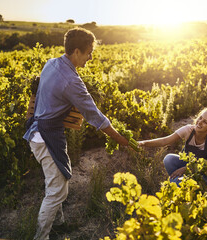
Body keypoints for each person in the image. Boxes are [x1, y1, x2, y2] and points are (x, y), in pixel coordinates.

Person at [23, 27, 129, 240]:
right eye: (89, 52)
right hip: (46, 138)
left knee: (57, 179)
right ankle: (40, 236)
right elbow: (94, 115)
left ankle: (59, 225)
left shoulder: (51, 63)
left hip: (36, 131)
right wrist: (120, 139)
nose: (90, 57)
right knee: (57, 191)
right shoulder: (72, 81)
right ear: (77, 51)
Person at [138, 106, 207, 186]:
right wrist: (143, 143)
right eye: (200, 118)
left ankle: (188, 187)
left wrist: (186, 169)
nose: (199, 122)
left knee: (175, 183)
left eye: (205, 122)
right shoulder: (188, 130)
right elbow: (165, 141)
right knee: (169, 159)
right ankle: (181, 183)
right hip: (190, 168)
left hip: (205, 175)